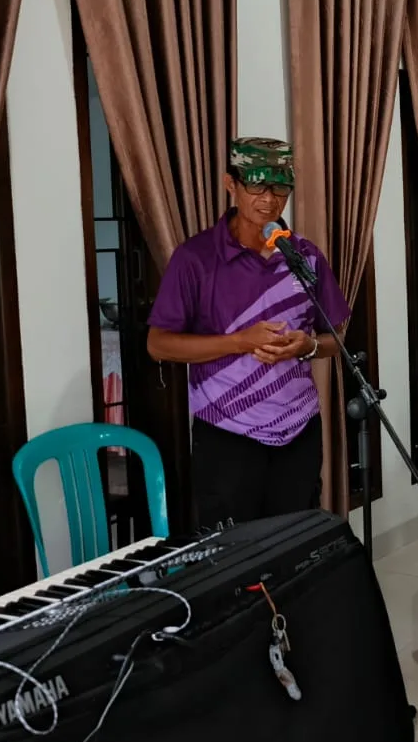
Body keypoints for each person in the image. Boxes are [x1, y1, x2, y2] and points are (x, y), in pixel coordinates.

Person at [148, 138, 349, 533]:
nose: (269, 200)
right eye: (257, 186)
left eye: (280, 188)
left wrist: (307, 346)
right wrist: (240, 341)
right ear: (231, 184)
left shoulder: (305, 256)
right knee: (237, 555)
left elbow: (336, 339)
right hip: (228, 433)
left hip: (299, 429)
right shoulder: (196, 258)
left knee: (296, 543)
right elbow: (158, 344)